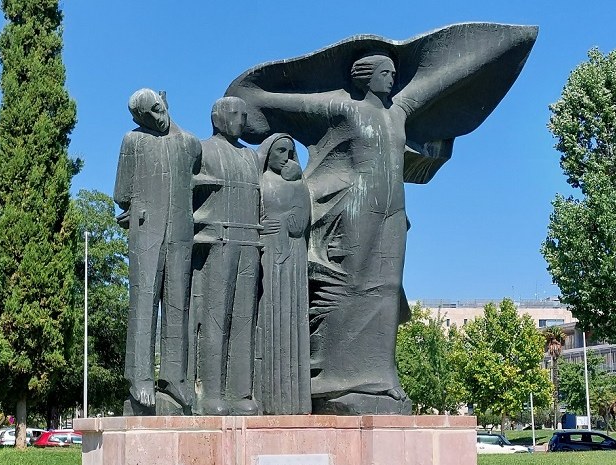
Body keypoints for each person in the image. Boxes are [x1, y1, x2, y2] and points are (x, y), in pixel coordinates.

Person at [226, 25, 538, 414]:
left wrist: (512, 41)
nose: (392, 78)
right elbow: (292, 105)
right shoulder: (343, 108)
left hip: (392, 213)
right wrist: (251, 96)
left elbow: (447, 76)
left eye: (394, 74)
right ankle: (333, 382)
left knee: (385, 290)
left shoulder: (399, 112)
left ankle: (380, 378)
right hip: (349, 211)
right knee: (348, 288)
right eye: (384, 72)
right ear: (365, 77)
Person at [114, 88, 202, 414]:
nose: (154, 117)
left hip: (180, 232)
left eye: (155, 108)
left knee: (178, 303)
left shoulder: (190, 144)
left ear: (164, 102)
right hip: (145, 232)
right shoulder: (132, 141)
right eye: (144, 116)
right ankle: (140, 378)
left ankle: (175, 378)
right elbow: (122, 193)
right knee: (144, 302)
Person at [189, 97, 262, 416]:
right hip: (217, 241)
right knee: (216, 319)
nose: (241, 120)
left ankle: (240, 392)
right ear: (217, 118)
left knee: (244, 320)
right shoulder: (202, 150)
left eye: (244, 115)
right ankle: (212, 392)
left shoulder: (251, 157)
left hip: (249, 241)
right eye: (235, 114)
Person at [255, 133, 311, 414]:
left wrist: (285, 221)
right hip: (265, 256)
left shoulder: (299, 185)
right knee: (267, 317)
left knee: (292, 319)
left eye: (290, 152)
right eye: (280, 151)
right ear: (267, 154)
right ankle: (265, 397)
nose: (286, 157)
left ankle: (295, 401)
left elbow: (301, 221)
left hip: (293, 259)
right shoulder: (260, 183)